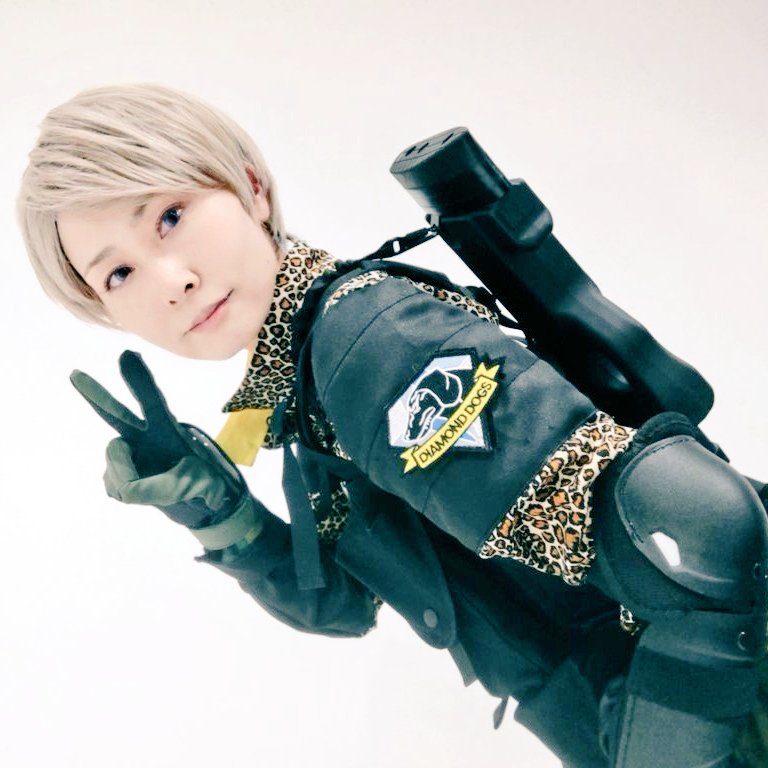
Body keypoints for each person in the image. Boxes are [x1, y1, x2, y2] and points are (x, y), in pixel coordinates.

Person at [17, 83, 768, 768]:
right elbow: (344, 605)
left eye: (170, 217)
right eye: (118, 274)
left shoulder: (366, 349)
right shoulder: (306, 383)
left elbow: (703, 535)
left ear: (250, 187)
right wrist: (218, 512)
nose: (172, 280)